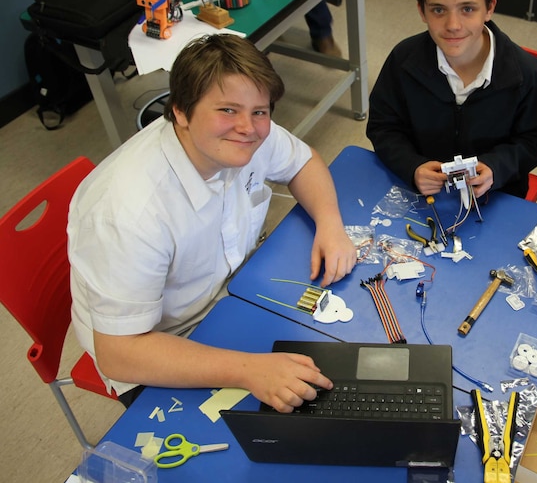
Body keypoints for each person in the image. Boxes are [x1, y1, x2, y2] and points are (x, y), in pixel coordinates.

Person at [68, 33, 357, 410]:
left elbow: (303, 162)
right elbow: (120, 353)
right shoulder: (130, 213)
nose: (249, 128)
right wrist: (247, 370)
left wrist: (330, 224)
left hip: (229, 292)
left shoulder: (245, 135)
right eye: (227, 110)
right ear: (181, 112)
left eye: (260, 111)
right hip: (161, 342)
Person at [365, 0, 537, 199]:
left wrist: (496, 167)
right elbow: (383, 126)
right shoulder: (402, 60)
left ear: (489, 8)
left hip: (496, 195)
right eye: (439, 10)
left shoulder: (525, 72)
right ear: (422, 10)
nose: (453, 25)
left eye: (467, 9)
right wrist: (412, 166)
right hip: (422, 192)